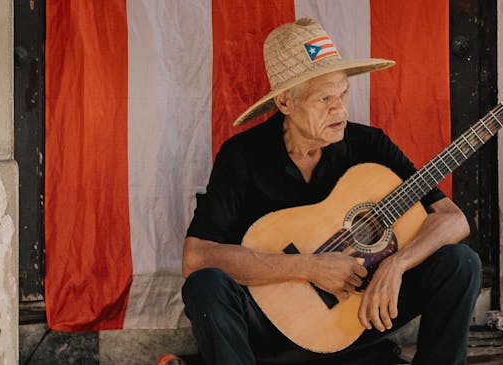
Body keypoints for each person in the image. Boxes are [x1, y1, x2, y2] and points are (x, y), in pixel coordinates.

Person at [180, 18, 481, 365]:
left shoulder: (370, 145)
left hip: (354, 320)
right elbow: (196, 257)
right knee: (205, 287)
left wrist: (396, 265)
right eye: (324, 98)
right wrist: (308, 267)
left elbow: (453, 220)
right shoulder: (242, 156)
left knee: (461, 263)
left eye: (343, 93)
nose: (339, 108)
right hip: (270, 332)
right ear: (285, 103)